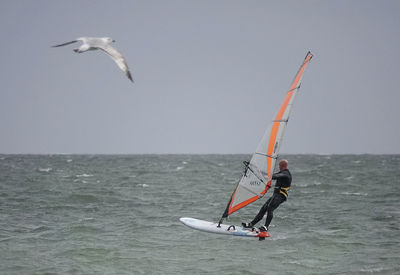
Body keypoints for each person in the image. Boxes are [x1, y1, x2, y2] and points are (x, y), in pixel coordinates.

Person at [242, 159, 292, 232]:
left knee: (270, 208)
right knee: (264, 208)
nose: (278, 166)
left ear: (282, 165)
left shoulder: (286, 174)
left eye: (279, 165)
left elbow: (275, 176)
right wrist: (257, 171)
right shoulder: (282, 172)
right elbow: (271, 175)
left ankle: (266, 227)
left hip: (281, 196)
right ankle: (251, 224)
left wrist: (267, 176)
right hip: (276, 195)